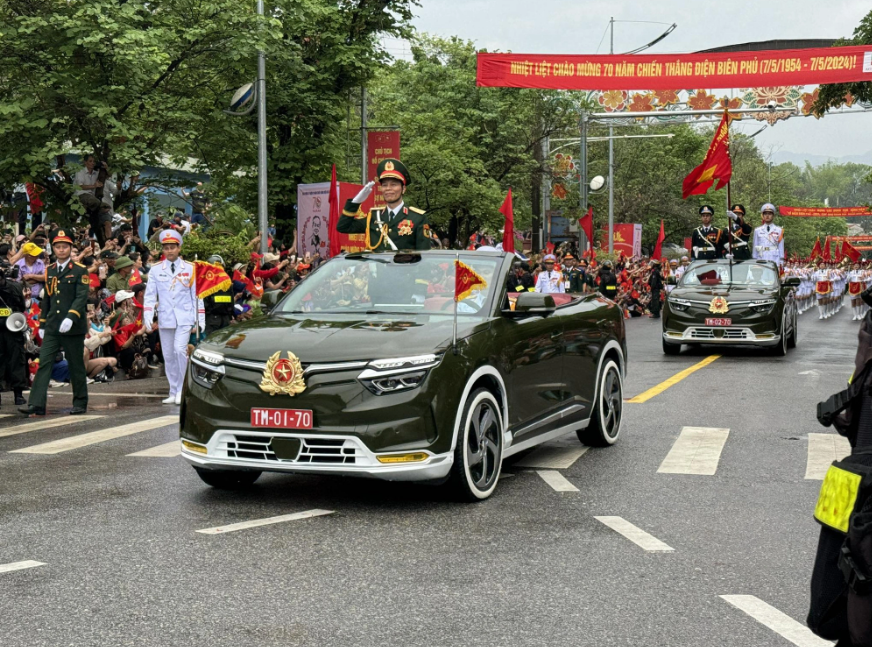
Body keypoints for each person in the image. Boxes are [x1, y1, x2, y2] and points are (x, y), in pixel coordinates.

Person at [19, 229, 90, 416]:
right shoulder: (49, 270)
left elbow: (81, 297)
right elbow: (48, 299)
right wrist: (42, 324)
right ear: (54, 249)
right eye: (58, 247)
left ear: (70, 248)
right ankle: (36, 404)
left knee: (75, 365)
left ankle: (80, 402)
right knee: (44, 363)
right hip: (52, 325)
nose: (61, 250)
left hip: (72, 325)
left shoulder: (80, 270)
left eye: (65, 247)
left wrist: (71, 316)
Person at [142, 229, 205, 405]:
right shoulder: (155, 270)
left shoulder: (191, 268)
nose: (169, 251)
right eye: (166, 248)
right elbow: (150, 295)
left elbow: (197, 296)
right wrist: (148, 314)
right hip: (165, 316)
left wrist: (200, 319)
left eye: (173, 247)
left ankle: (183, 389)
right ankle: (173, 389)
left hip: (185, 316)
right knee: (168, 355)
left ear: (179, 248)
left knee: (179, 350)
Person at [337, 158, 431, 251]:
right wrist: (355, 202)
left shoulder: (417, 218)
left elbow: (424, 255)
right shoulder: (374, 216)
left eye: (393, 185)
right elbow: (343, 227)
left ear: (403, 189)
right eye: (384, 185)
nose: (388, 189)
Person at [0, 259, 28, 405]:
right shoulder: (15, 286)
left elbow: (22, 307)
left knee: (17, 360)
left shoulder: (15, 288)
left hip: (13, 329)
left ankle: (18, 393)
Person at [202, 254, 234, 335]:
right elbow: (231, 302)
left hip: (212, 319)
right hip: (225, 319)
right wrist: (230, 316)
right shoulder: (227, 281)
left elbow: (204, 302)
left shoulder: (208, 281)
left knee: (211, 344)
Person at [752, 203, 785, 268]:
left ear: (773, 215)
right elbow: (755, 246)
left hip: (774, 258)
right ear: (763, 215)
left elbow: (781, 247)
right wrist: (754, 260)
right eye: (765, 214)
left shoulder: (779, 230)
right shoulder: (757, 230)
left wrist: (781, 261)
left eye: (769, 214)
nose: (767, 216)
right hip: (761, 258)